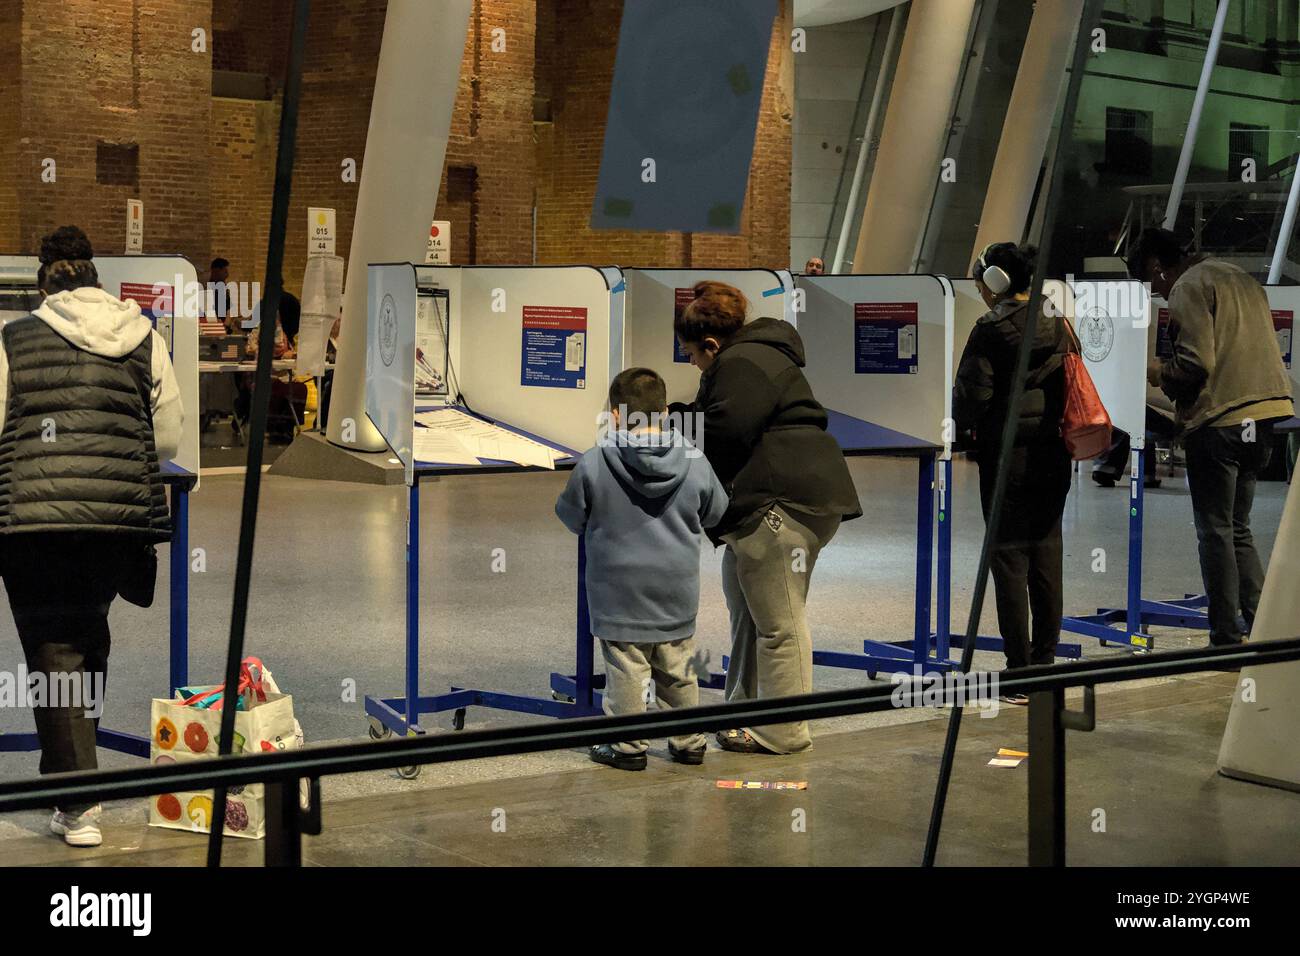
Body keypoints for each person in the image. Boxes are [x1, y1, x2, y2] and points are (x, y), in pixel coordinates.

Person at [0, 226, 184, 846]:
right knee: (85, 638)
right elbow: (170, 438)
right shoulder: (144, 338)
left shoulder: (13, 338)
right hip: (116, 521)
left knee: (54, 648)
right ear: (96, 278)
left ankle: (76, 802)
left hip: (35, 523)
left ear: (44, 283)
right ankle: (75, 779)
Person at [673, 281, 860, 754]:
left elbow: (722, 431)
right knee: (748, 614)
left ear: (711, 344)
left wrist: (660, 428)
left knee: (779, 622)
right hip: (787, 500)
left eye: (693, 355)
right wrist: (663, 417)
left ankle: (784, 730)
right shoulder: (752, 356)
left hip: (780, 504)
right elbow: (712, 415)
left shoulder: (741, 362)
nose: (693, 364)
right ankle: (745, 709)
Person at [1127, 228, 1295, 646]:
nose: (1160, 295)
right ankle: (1262, 626)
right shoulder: (1239, 276)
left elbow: (1196, 364)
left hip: (1222, 421)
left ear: (1155, 266)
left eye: (1152, 285)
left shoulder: (1189, 286)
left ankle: (1224, 635)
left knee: (1215, 530)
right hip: (1265, 415)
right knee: (1238, 528)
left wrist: (1154, 372)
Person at [555, 367, 728, 771]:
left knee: (627, 665)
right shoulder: (694, 459)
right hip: (676, 588)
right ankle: (688, 741)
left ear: (616, 415)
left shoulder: (595, 461)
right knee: (678, 665)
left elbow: (570, 516)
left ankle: (628, 747)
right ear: (666, 411)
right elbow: (716, 512)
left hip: (618, 591)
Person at [952, 242, 1070, 702]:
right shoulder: (1056, 321)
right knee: (1047, 552)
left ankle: (1017, 671)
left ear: (997, 281)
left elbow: (973, 398)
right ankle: (1044, 664)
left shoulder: (991, 330)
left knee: (1008, 558)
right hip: (1053, 453)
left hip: (1008, 458)